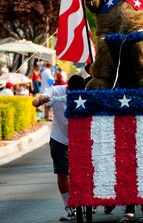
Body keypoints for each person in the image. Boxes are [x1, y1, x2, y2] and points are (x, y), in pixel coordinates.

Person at [32, 74, 86, 221]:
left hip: (81, 137)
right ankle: (68, 207)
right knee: (62, 172)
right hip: (59, 137)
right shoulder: (56, 91)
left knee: (85, 171)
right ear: (67, 88)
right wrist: (41, 100)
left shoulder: (87, 94)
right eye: (72, 93)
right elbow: (35, 102)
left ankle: (87, 199)